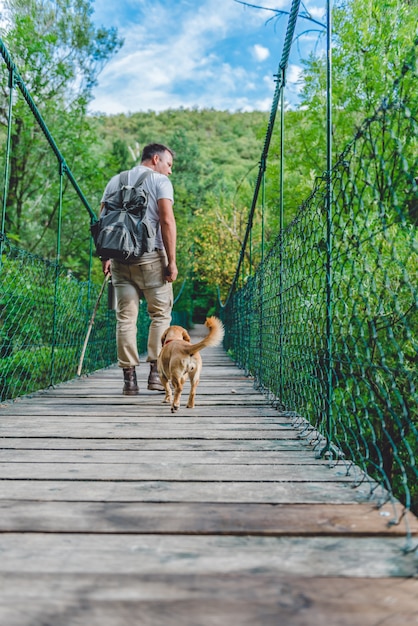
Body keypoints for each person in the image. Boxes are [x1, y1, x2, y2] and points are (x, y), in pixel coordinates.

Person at [100, 143, 178, 395]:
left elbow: (102, 220)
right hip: (150, 259)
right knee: (160, 315)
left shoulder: (115, 180)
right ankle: (155, 373)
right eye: (168, 165)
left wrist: (106, 257)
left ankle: (129, 380)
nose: (170, 171)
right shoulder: (160, 182)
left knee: (125, 319)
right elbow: (166, 220)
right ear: (156, 159)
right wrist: (172, 261)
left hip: (120, 260)